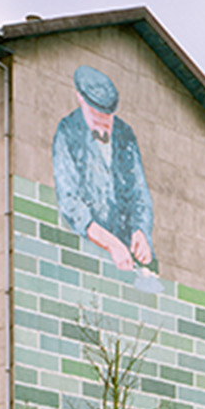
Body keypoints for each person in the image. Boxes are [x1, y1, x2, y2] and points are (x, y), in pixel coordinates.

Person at [52, 65, 156, 275]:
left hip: (127, 259)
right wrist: (110, 244)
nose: (103, 125)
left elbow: (140, 193)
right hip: (87, 254)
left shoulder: (125, 135)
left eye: (107, 118)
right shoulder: (67, 131)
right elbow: (70, 202)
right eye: (96, 115)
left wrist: (141, 232)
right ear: (80, 98)